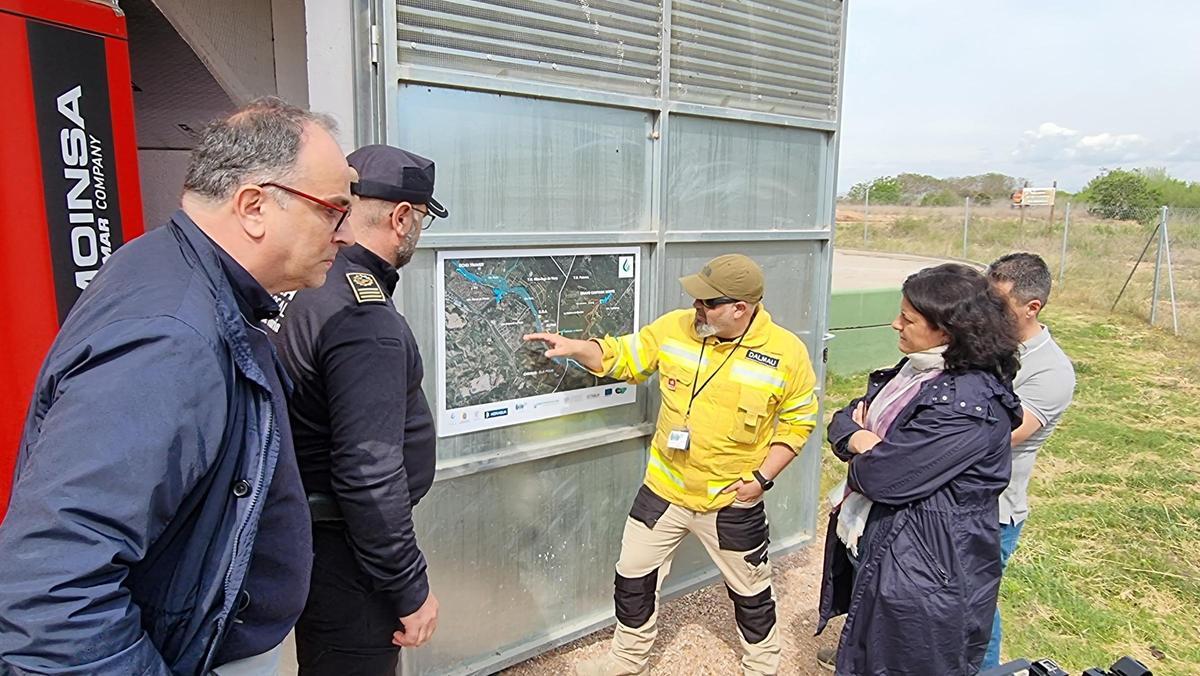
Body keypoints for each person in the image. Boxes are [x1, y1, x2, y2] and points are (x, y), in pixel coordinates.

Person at [0, 97, 355, 674]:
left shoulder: (175, 274)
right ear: (254, 206)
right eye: (332, 209)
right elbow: (52, 587)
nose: (343, 234)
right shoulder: (172, 335)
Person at [525, 254, 820, 676]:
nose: (696, 308)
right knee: (632, 576)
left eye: (707, 303)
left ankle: (762, 665)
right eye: (696, 299)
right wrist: (576, 348)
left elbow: (798, 422)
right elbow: (621, 356)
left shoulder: (787, 354)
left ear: (741, 307)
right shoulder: (675, 327)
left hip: (731, 500)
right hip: (664, 491)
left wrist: (761, 478)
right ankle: (628, 660)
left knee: (751, 591)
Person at [266, 145, 447, 674]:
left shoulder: (317, 285)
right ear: (401, 217)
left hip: (321, 542)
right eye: (421, 221)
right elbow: (369, 473)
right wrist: (411, 588)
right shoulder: (364, 317)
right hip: (350, 556)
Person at [815, 263, 1023, 675]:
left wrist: (866, 445)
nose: (895, 325)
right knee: (872, 638)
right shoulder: (919, 371)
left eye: (908, 319)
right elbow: (843, 420)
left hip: (925, 562)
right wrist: (861, 440)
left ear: (947, 332)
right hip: (893, 541)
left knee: (904, 656)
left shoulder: (969, 405)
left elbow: (882, 477)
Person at [980, 253, 1076, 670]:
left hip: (993, 513)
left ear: (1031, 307)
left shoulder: (1051, 371)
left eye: (997, 304)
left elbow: (997, 439)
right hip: (950, 500)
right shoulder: (986, 344)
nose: (986, 312)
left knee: (975, 610)